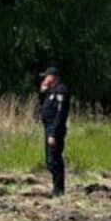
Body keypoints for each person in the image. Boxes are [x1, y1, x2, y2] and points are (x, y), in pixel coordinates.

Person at [36, 66, 70, 197]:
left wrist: (53, 133)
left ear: (53, 77)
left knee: (54, 159)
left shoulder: (61, 90)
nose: (44, 79)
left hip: (55, 129)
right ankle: (56, 188)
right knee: (49, 160)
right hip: (48, 128)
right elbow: (44, 106)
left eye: (46, 76)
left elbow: (61, 114)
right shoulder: (51, 91)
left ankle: (58, 190)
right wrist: (42, 92)